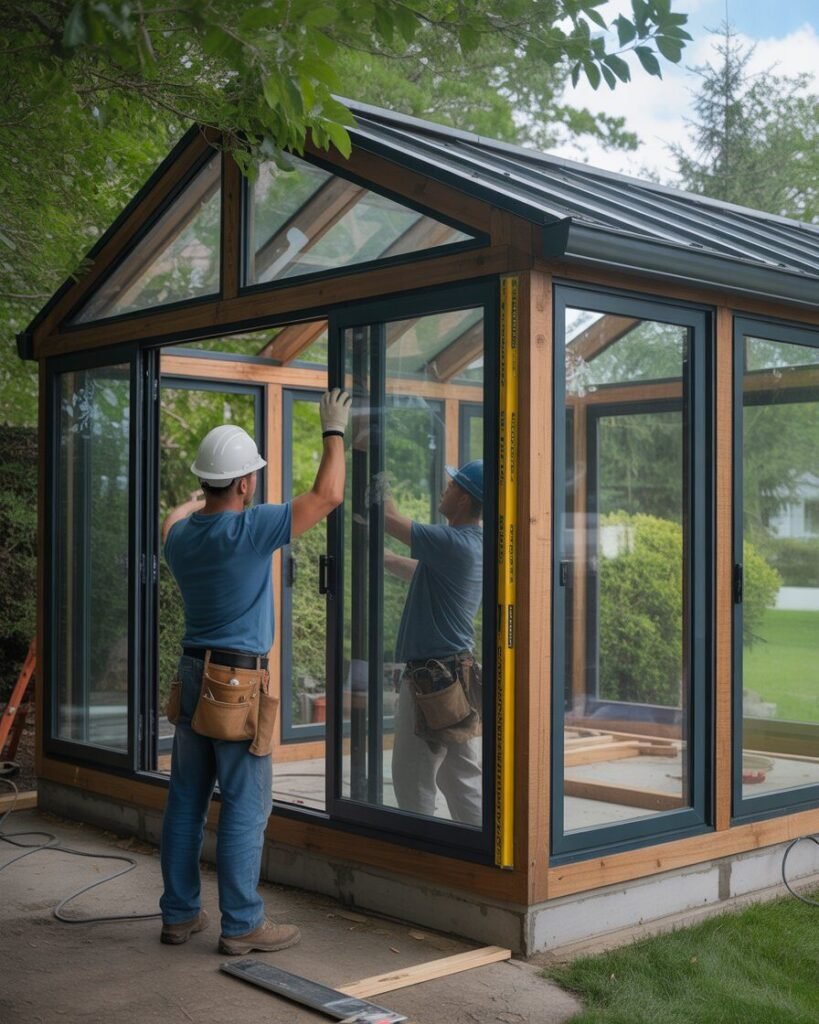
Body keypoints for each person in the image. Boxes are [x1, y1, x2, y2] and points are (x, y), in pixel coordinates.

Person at [158, 389, 350, 955]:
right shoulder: (253, 528)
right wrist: (332, 430)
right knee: (246, 804)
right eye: (251, 480)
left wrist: (199, 500)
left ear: (207, 483)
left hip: (193, 677)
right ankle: (242, 925)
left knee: (186, 800)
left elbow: (175, 516)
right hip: (238, 685)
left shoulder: (181, 540)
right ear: (243, 484)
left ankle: (178, 915)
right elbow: (328, 494)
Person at [383, 460, 484, 827]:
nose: (446, 489)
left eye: (453, 485)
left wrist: (378, 473)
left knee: (413, 780)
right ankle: (480, 854)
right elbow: (422, 571)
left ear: (465, 498)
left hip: (432, 679)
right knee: (461, 778)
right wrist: (388, 560)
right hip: (453, 675)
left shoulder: (454, 541)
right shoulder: (473, 544)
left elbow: (390, 520)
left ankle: (417, 857)